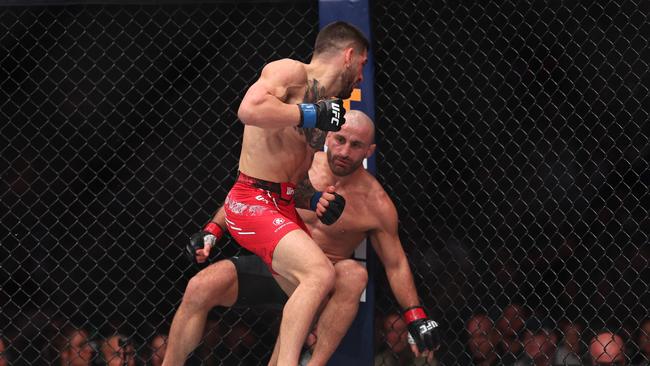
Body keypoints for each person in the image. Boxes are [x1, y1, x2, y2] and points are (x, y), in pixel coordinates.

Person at [165, 111, 440, 365]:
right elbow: (252, 193)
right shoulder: (300, 164)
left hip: (321, 283)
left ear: (370, 151)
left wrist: (415, 315)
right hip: (275, 266)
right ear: (328, 137)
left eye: (356, 145)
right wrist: (213, 229)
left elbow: (396, 263)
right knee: (199, 287)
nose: (344, 151)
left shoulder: (376, 203)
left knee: (354, 275)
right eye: (340, 139)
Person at [173, 20, 369, 366]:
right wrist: (309, 113)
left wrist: (314, 199)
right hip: (252, 200)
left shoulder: (325, 107)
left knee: (315, 294)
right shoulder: (290, 71)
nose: (362, 78)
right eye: (363, 65)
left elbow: (291, 176)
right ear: (349, 56)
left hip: (280, 204)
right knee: (319, 274)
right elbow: (248, 110)